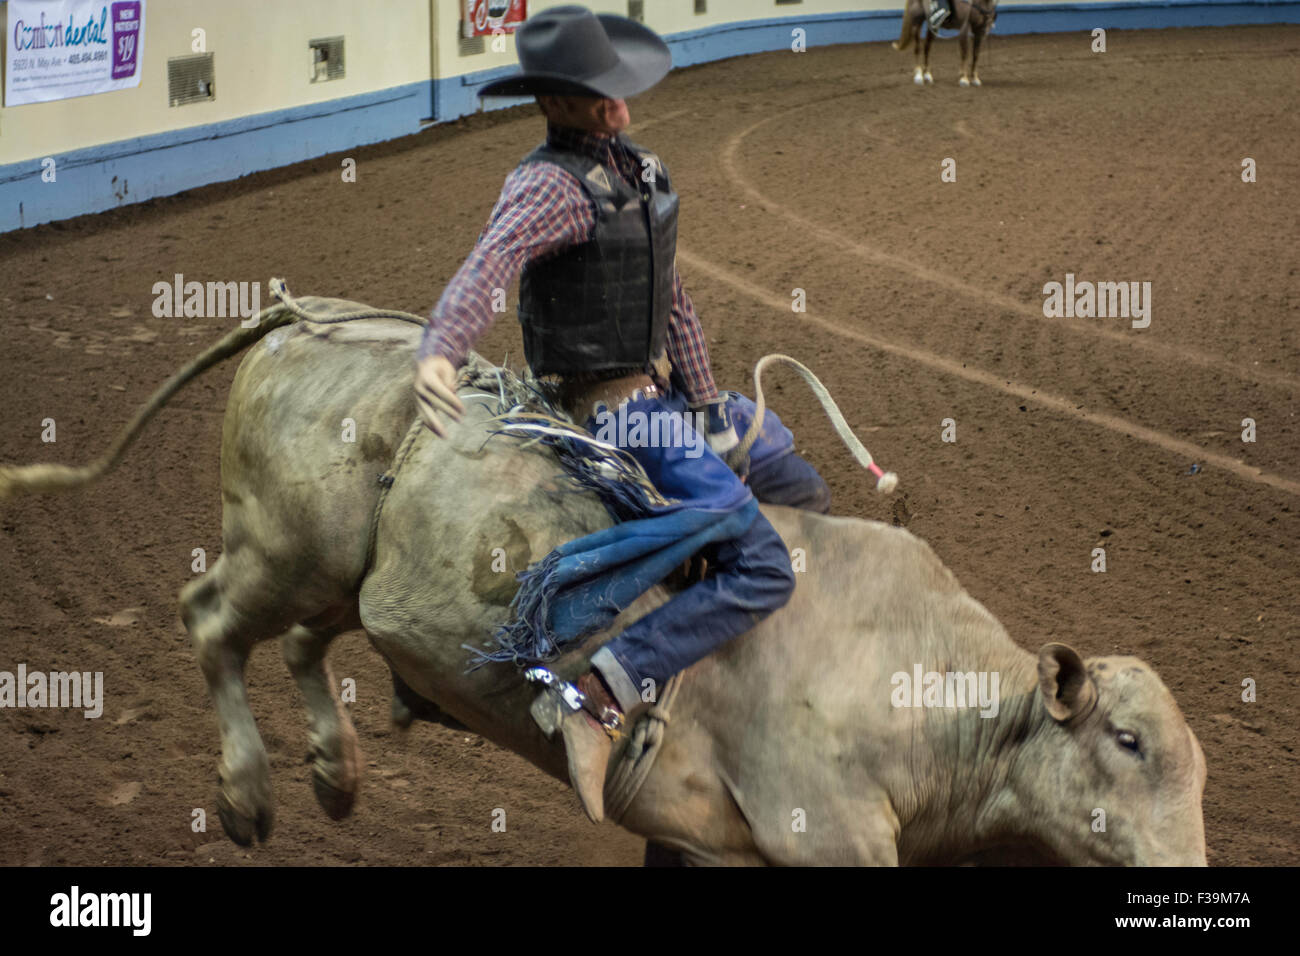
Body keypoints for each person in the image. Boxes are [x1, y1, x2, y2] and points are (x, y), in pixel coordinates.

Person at [414, 5, 822, 821]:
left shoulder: (635, 173)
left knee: (795, 480)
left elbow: (671, 300)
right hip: (611, 411)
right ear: (559, 103)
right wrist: (439, 348)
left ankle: (715, 648)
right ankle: (603, 686)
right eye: (601, 95)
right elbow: (488, 262)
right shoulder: (548, 190)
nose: (621, 105)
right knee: (768, 562)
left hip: (664, 394)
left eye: (617, 89)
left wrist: (707, 404)